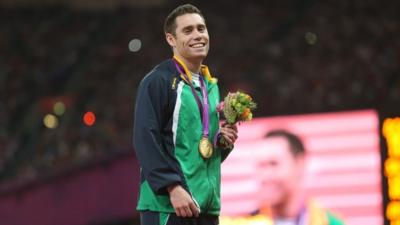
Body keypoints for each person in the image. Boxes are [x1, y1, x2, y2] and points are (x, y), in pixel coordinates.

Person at [133, 4, 238, 225]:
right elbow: (145, 138)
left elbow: (199, 152)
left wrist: (221, 142)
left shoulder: (210, 86)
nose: (198, 35)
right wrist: (172, 187)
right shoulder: (158, 81)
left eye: (201, 28)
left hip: (206, 209)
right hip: (170, 206)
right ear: (171, 39)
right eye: (188, 30)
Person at [253, 130, 344, 225]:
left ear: (299, 163)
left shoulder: (329, 222)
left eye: (274, 164)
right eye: (261, 166)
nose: (266, 175)